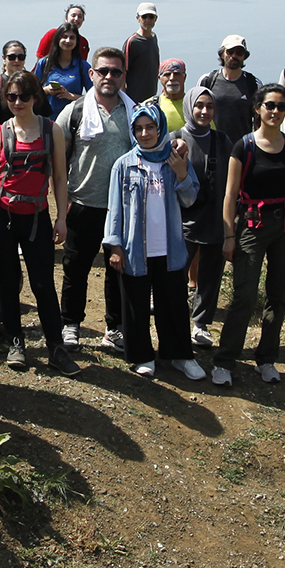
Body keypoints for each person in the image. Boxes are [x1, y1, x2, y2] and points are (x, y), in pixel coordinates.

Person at [0, 70, 74, 373]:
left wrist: (61, 218)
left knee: (43, 284)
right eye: (11, 96)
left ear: (35, 97)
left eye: (23, 96)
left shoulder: (51, 131)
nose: (17, 102)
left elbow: (60, 178)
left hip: (36, 217)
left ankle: (56, 348)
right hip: (0, 215)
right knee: (8, 281)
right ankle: (15, 343)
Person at [219, 85, 285, 384]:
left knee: (278, 295)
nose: (275, 111)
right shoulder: (243, 146)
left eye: (282, 106)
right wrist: (229, 236)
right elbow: (230, 194)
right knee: (244, 296)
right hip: (250, 224)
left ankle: (267, 358)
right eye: (270, 105)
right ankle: (225, 360)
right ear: (258, 108)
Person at [104, 101, 198, 379]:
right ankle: (142, 355)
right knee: (136, 304)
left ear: (161, 128)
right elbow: (115, 208)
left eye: (150, 127)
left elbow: (191, 199)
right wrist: (115, 246)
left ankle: (180, 355)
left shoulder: (175, 159)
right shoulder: (124, 164)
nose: (145, 134)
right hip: (135, 248)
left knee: (174, 303)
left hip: (170, 248)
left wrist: (181, 173)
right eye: (139, 129)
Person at [55, 44, 136, 350]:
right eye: (103, 70)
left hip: (123, 207)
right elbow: (58, 160)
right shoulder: (74, 112)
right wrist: (62, 210)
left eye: (116, 71)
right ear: (92, 73)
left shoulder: (134, 112)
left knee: (118, 269)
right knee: (76, 267)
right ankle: (71, 324)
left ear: (123, 76)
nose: (109, 76)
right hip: (84, 203)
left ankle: (114, 328)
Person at [179, 88, 232, 349]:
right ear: (190, 107)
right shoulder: (176, 139)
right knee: (176, 272)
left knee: (210, 274)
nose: (204, 111)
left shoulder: (223, 141)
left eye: (209, 106)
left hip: (215, 217)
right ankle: (175, 321)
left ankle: (201, 324)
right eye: (199, 105)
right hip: (182, 220)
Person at [198, 36, 260, 141]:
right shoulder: (207, 80)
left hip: (243, 146)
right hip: (212, 146)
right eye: (230, 52)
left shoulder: (253, 83)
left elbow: (260, 118)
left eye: (239, 52)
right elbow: (196, 112)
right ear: (222, 54)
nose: (234, 56)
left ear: (244, 56)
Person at [34, 23, 91, 118]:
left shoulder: (83, 66)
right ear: (57, 39)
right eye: (64, 37)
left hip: (73, 118)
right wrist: (47, 90)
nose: (68, 41)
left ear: (77, 41)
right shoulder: (44, 63)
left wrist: (71, 96)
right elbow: (32, 93)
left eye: (72, 37)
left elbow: (94, 97)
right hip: (47, 118)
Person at [123, 3, 161, 102]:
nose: (148, 20)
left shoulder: (154, 37)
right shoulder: (132, 42)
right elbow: (122, 72)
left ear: (155, 18)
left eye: (151, 17)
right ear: (138, 18)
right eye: (144, 17)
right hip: (133, 98)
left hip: (151, 96)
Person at [156, 59, 189, 132]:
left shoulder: (195, 106)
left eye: (177, 74)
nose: (172, 78)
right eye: (167, 74)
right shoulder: (151, 106)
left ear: (184, 77)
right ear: (160, 78)